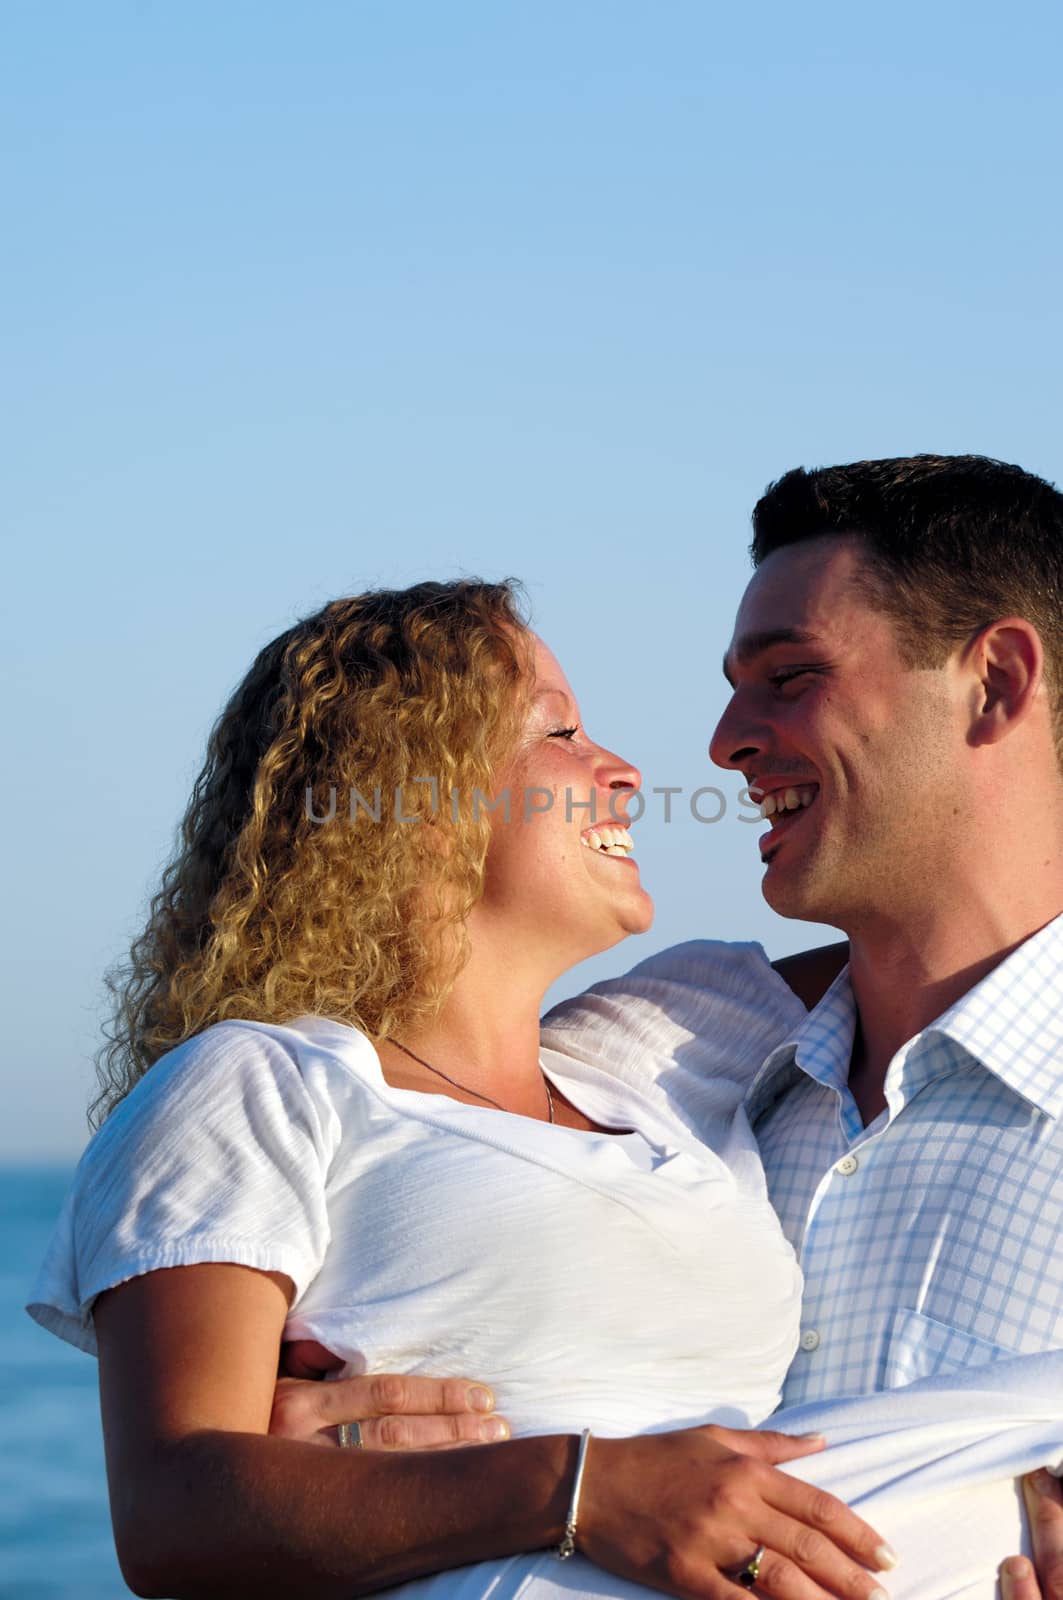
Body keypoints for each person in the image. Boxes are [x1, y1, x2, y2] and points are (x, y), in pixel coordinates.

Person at [263, 455, 1063, 1599]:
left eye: (789, 676)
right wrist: (306, 1450)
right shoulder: (668, 1053)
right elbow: (356, 1135)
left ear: (994, 681)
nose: (725, 740)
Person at [28, 581, 894, 1600]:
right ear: (419, 799)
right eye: (560, 733)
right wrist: (581, 1488)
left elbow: (965, 927)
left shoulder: (657, 1050)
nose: (622, 774)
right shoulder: (259, 1083)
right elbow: (174, 1516)